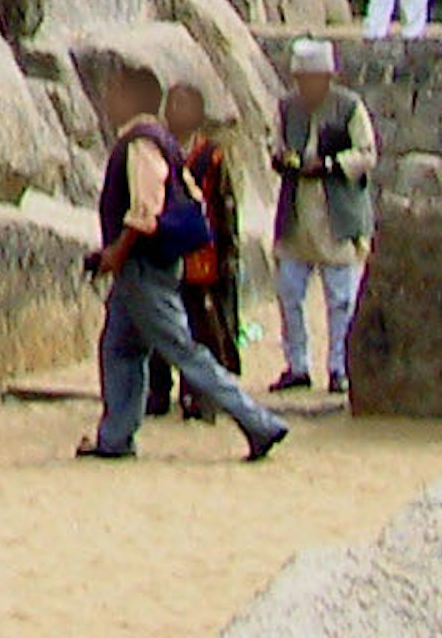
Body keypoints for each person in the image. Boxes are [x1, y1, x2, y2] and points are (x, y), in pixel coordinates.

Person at [79, 61, 289, 464]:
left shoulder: (140, 144)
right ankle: (115, 436)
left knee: (183, 351)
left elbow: (146, 210)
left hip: (143, 268)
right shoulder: (162, 141)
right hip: (144, 268)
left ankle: (257, 422)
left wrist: (115, 253)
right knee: (119, 348)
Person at [268, 36, 377, 398]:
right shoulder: (287, 109)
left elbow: (366, 153)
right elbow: (275, 145)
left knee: (341, 299)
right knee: (290, 294)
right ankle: (297, 365)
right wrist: (284, 160)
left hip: (337, 215)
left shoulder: (348, 108)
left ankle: (339, 367)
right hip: (297, 215)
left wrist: (330, 165)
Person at [163, 80, 245, 418]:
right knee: (166, 329)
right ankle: (158, 393)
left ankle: (202, 396)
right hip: (167, 256)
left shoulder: (211, 157)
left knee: (205, 330)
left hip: (204, 258)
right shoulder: (158, 152)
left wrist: (229, 253)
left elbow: (225, 208)